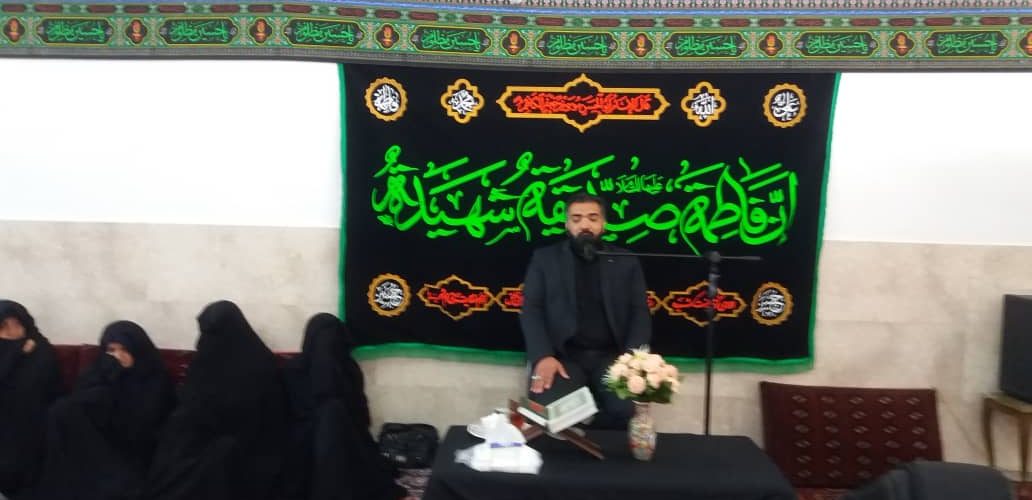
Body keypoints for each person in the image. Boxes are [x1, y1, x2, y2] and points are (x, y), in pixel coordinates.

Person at [520, 193, 652, 430]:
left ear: (604, 223)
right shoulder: (545, 259)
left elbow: (639, 313)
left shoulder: (625, 261)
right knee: (548, 410)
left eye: (593, 218)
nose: (585, 225)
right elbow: (532, 310)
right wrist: (543, 356)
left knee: (625, 408)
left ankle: (597, 447)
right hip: (562, 357)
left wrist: (632, 362)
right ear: (567, 224)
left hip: (613, 358)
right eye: (577, 218)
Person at [143, 300, 286, 500]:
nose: (206, 340)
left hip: (246, 451)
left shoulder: (260, 365)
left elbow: (264, 421)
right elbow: (190, 405)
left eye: (213, 333)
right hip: (201, 443)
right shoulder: (204, 360)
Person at [30, 320, 175, 500]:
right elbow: (80, 405)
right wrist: (110, 378)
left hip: (131, 450)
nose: (117, 356)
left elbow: (144, 423)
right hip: (93, 445)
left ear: (138, 349)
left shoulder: (154, 378)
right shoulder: (98, 372)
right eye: (111, 350)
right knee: (61, 411)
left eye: (124, 349)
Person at [281, 313, 405, 500]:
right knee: (332, 419)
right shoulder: (347, 369)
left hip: (319, 446)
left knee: (332, 419)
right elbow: (362, 415)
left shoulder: (294, 369)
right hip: (337, 446)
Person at [0, 300, 61, 498]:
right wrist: (17, 354)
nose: (11, 331)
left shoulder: (40, 348)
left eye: (16, 324)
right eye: (3, 326)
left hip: (35, 416)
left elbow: (47, 386)